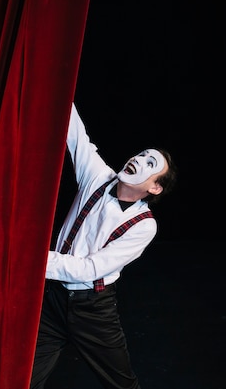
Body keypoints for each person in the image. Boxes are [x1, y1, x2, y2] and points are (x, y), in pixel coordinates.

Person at [30, 103, 177, 389]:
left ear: (155, 188)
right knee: (23, 378)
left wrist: (33, 261)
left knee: (121, 384)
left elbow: (90, 269)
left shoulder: (144, 225)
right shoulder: (98, 177)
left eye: (150, 164)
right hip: (52, 301)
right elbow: (75, 135)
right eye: (143, 154)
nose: (139, 159)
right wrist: (54, 74)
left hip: (92, 310)